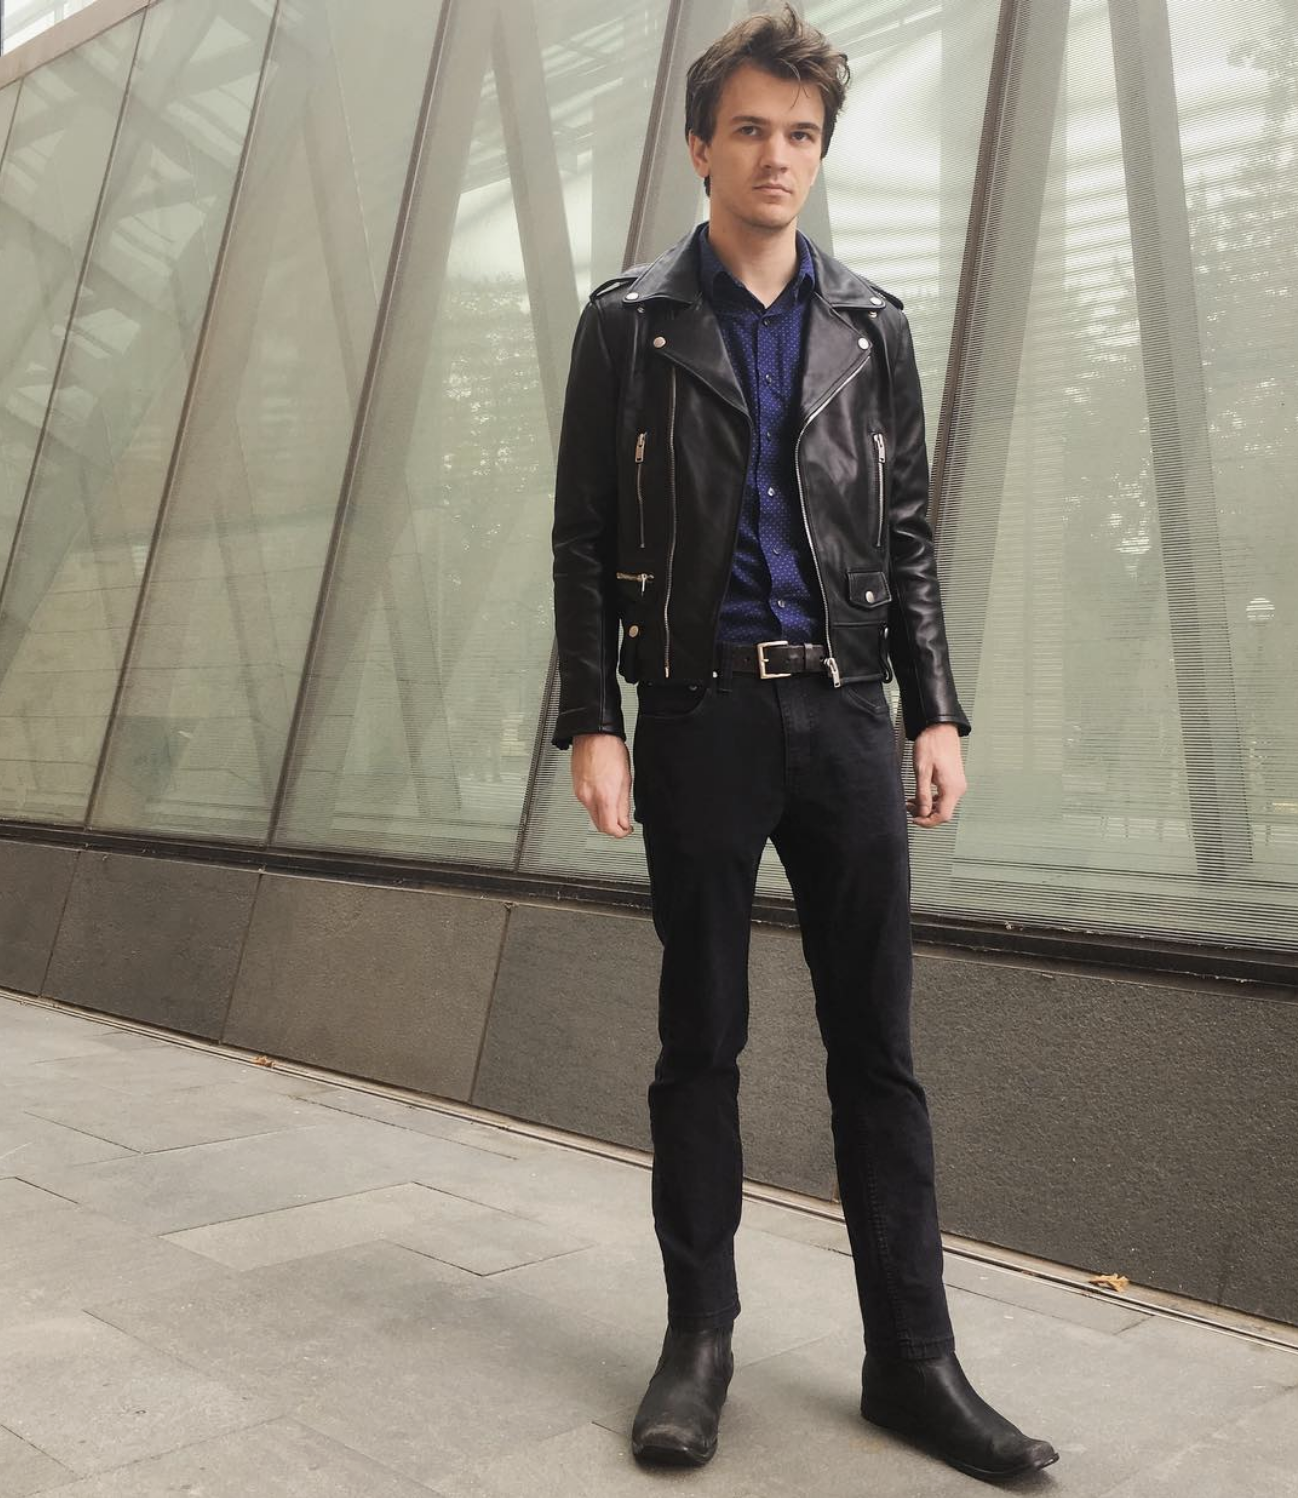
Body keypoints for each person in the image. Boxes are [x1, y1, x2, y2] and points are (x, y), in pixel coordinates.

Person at [549, 4, 1057, 1483]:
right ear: (700, 143)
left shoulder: (871, 325)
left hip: (842, 717)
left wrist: (934, 705)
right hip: (696, 713)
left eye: (802, 135)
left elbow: (902, 535)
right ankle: (696, 1341)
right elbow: (581, 536)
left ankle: (912, 1358)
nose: (778, 155)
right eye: (752, 129)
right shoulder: (629, 322)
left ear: (819, 154)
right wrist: (594, 717)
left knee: (877, 1055)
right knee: (697, 1040)